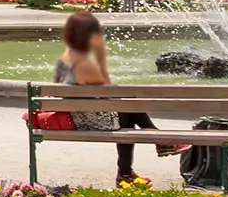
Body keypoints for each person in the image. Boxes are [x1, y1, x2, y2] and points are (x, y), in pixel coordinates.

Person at [56, 11, 156, 184]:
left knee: (128, 110)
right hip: (92, 122)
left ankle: (129, 170)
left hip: (77, 118)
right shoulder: (86, 65)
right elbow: (112, 92)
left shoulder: (64, 60)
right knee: (129, 109)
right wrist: (101, 58)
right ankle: (156, 142)